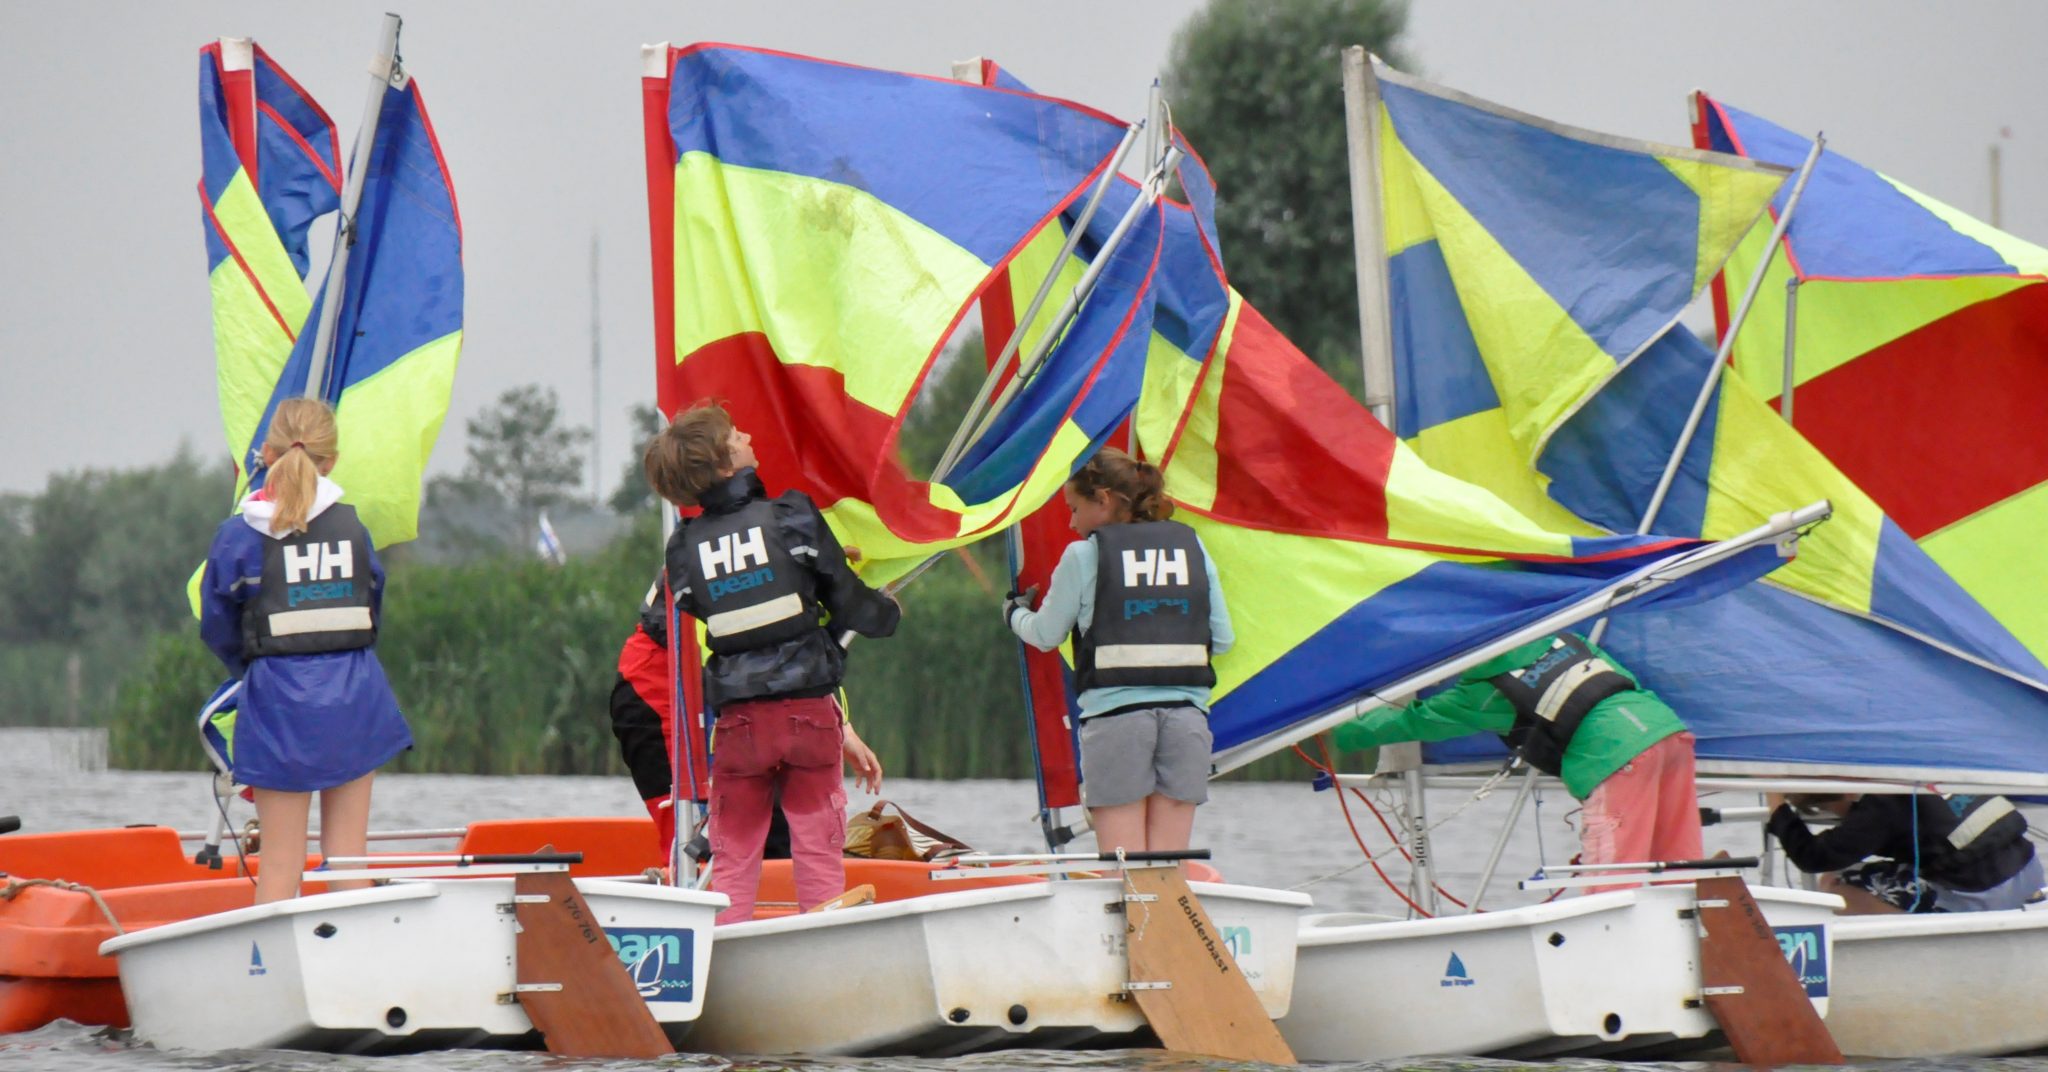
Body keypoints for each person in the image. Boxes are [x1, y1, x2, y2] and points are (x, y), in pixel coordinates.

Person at [643, 403, 898, 924]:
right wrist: (888, 611)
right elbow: (852, 605)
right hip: (809, 717)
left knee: (735, 858)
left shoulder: (683, 548)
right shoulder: (793, 515)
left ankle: (726, 957)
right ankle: (822, 946)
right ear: (723, 463)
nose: (749, 432)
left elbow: (686, 611)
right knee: (818, 851)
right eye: (737, 434)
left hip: (740, 726)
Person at [198, 399, 412, 904]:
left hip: (277, 702)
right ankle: (353, 970)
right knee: (348, 858)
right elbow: (371, 609)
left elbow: (217, 626)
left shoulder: (237, 537)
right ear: (331, 461)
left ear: (266, 453)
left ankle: (271, 974)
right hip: (356, 694)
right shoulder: (354, 529)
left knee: (279, 864)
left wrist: (250, 667)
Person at [1334, 632, 1701, 891]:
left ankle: (1606, 969)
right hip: (1668, 731)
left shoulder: (1482, 693)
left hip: (1616, 757)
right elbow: (1625, 681)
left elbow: (1411, 720)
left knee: (1611, 877)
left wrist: (1331, 730)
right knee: (1679, 861)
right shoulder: (1567, 639)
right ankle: (1694, 940)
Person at [1004, 448, 1232, 859]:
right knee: (1166, 871)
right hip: (1187, 723)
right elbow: (1224, 638)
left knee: (1125, 871)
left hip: (1117, 725)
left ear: (1104, 500)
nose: (1071, 523)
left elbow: (1044, 634)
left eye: (1074, 509)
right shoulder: (1191, 545)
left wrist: (1013, 613)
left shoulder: (1084, 555)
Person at [606, 578, 883, 858]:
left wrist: (840, 723)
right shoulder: (764, 547)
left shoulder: (800, 554)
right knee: (701, 847)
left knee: (781, 833)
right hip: (662, 688)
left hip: (731, 695)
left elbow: (788, 652)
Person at [1766, 791, 2043, 914]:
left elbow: (1812, 857)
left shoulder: (1880, 807)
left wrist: (1777, 806)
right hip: (2030, 873)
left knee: (1835, 886)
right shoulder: (1921, 769)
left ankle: (1924, 938)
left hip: (1984, 897)